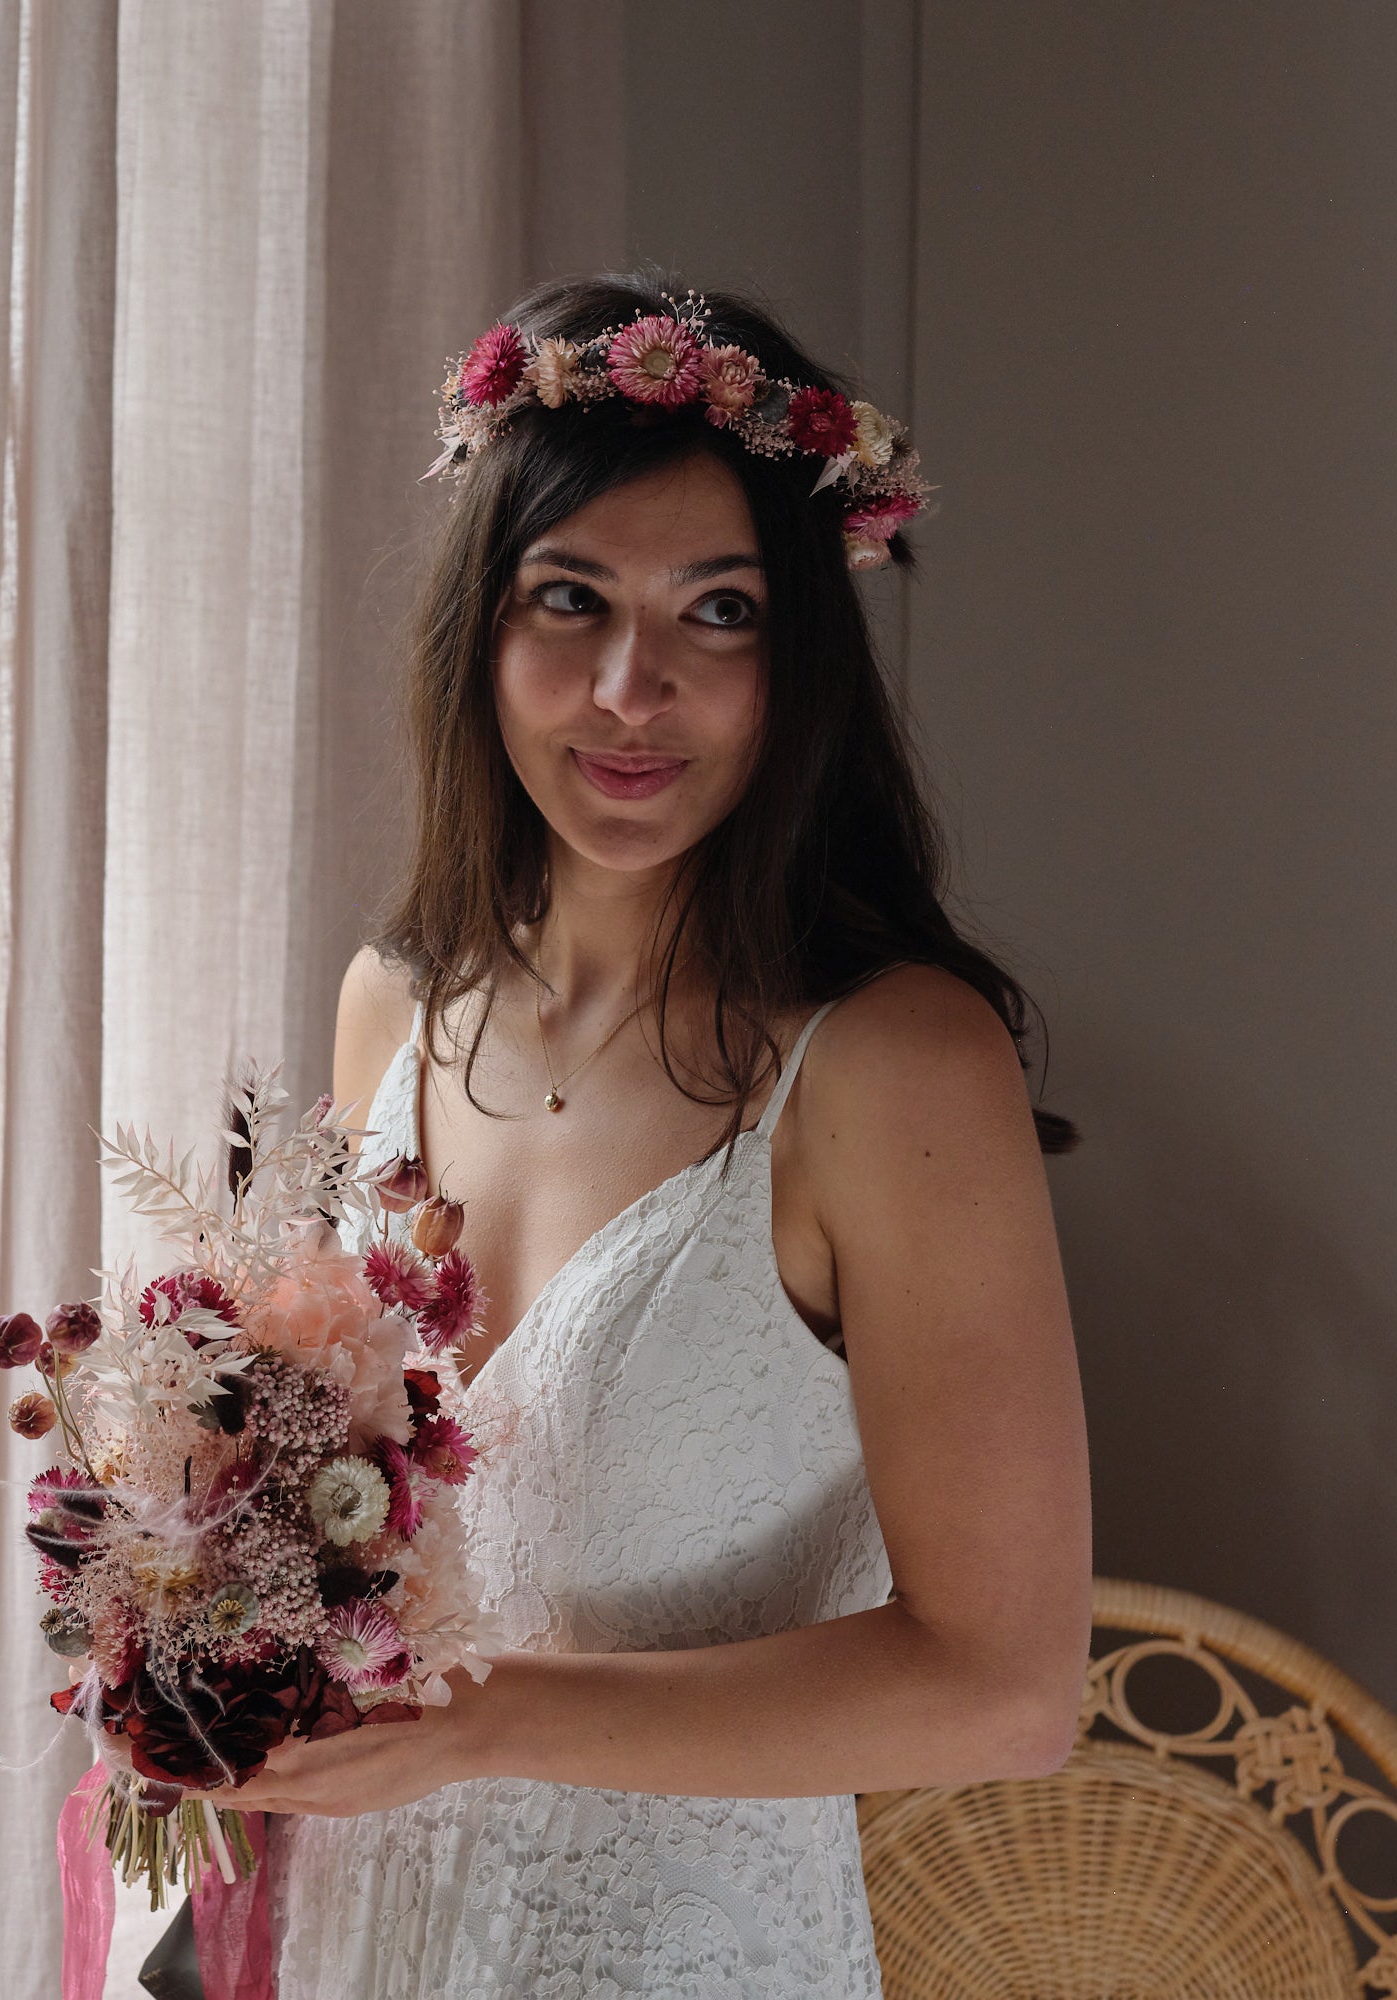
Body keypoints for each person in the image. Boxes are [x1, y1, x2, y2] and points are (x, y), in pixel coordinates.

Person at [234, 272, 1092, 1997]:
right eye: (572, 599)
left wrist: (487, 1727)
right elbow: (332, 1530)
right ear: (482, 629)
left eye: (719, 612)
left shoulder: (892, 1068)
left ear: (800, 667)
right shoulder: (391, 1006)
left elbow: (1005, 1688)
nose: (633, 688)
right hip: (358, 1937)